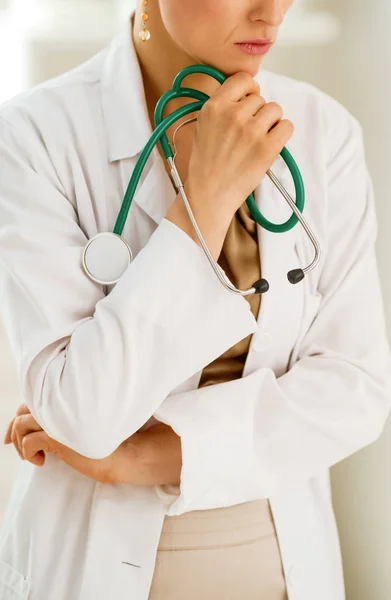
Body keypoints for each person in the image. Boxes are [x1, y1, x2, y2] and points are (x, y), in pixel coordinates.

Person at [1, 1, 391, 599]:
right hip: (92, 566)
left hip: (284, 565)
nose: (272, 12)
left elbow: (356, 388)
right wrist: (203, 204)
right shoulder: (33, 137)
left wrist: (148, 457)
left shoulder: (322, 129)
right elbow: (82, 414)